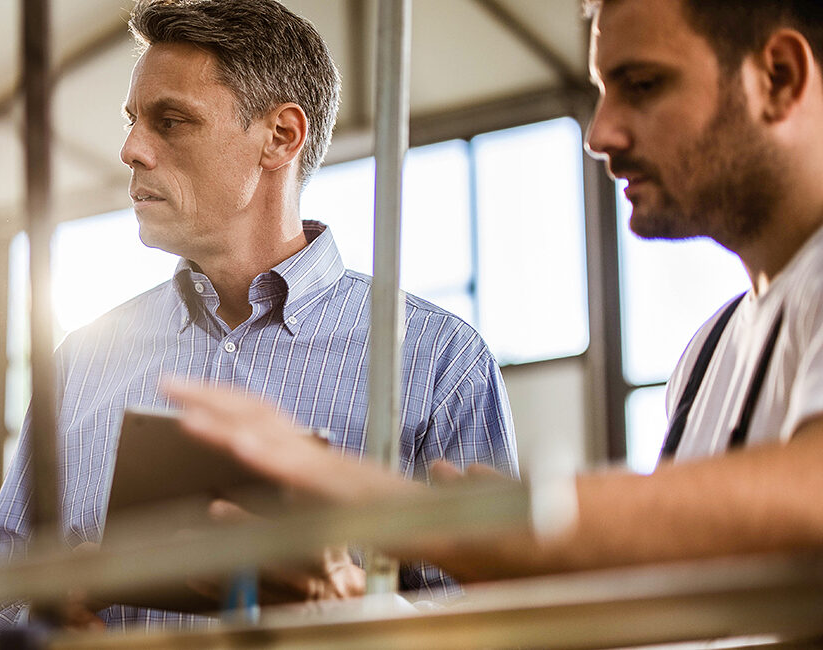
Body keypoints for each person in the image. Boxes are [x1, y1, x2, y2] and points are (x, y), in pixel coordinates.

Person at [166, 0, 823, 583]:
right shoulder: (709, 358)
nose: (601, 134)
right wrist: (337, 596)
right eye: (602, 92)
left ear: (779, 78)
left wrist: (415, 512)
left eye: (643, 85)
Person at [0, 0, 518, 642]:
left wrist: (345, 604)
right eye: (133, 122)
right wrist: (35, 616)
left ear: (280, 137)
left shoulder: (435, 363)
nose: (130, 150)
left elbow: (496, 625)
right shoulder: (78, 363)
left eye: (170, 121)